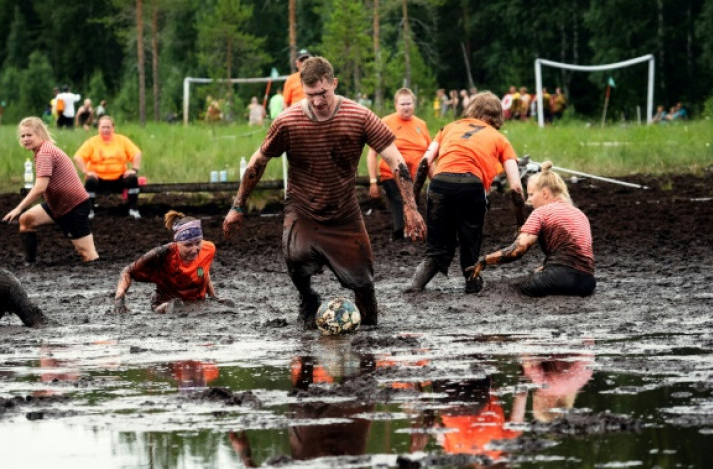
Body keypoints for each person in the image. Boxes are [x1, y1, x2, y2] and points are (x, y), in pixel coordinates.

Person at [223, 56, 426, 329]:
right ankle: (308, 299)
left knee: (363, 284)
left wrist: (410, 207)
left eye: (323, 93)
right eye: (310, 95)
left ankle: (368, 325)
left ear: (334, 84)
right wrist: (237, 206)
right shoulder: (288, 121)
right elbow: (257, 162)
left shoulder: (359, 116)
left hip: (344, 212)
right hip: (303, 208)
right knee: (295, 259)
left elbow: (396, 160)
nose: (317, 101)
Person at [406, 91, 524, 294]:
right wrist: (521, 224)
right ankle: (472, 283)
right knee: (470, 240)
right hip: (471, 187)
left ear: (472, 109)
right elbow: (516, 187)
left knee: (436, 247)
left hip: (440, 184)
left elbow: (425, 162)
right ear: (497, 115)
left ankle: (415, 285)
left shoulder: (449, 128)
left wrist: (413, 200)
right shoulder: (499, 138)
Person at [465, 161, 595, 297]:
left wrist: (484, 260)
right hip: (587, 283)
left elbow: (517, 250)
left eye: (531, 195)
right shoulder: (580, 214)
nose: (529, 201)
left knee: (503, 287)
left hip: (559, 278)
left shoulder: (541, 212)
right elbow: (577, 256)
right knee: (535, 274)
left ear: (545, 193)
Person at [3, 117, 99, 264]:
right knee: (26, 219)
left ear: (40, 134)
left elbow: (40, 188)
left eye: (29, 135)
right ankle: (30, 264)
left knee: (88, 255)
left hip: (74, 206)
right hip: (58, 205)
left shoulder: (45, 153)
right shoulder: (42, 150)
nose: (25, 139)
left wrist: (18, 208)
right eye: (22, 136)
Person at [113, 211, 231, 314]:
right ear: (176, 243)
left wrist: (213, 296)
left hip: (197, 304)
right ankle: (166, 307)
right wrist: (119, 302)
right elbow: (127, 271)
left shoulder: (208, 249)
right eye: (188, 245)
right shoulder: (163, 254)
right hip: (166, 305)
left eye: (198, 243)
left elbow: (203, 270)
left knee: (228, 305)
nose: (195, 250)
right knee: (173, 306)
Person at [366, 88, 432, 241]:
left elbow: (429, 154)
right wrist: (373, 181)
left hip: (416, 176)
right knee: (400, 199)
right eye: (402, 104)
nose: (406, 107)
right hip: (392, 173)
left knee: (413, 202)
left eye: (409, 104)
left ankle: (413, 231)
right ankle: (399, 231)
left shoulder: (421, 124)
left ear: (414, 104)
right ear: (396, 105)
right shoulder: (386, 122)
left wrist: (434, 180)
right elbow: (372, 153)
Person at [73, 115, 143, 219]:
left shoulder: (122, 140)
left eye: (108, 127)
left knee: (132, 179)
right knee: (90, 181)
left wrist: (134, 169)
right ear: (98, 128)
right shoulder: (92, 142)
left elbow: (137, 153)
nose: (106, 130)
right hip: (99, 179)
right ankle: (89, 210)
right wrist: (86, 172)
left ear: (113, 128)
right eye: (103, 127)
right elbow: (78, 157)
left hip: (118, 178)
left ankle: (133, 209)